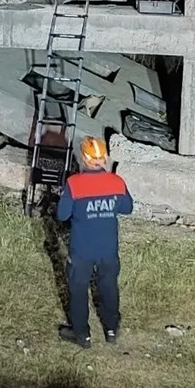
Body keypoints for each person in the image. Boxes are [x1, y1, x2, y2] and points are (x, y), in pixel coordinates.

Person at [55, 136, 134, 348]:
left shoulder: (74, 184)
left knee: (78, 289)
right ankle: (111, 329)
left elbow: (62, 215)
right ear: (105, 157)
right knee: (109, 287)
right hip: (108, 248)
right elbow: (127, 208)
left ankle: (82, 335)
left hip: (82, 250)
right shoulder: (116, 182)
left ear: (84, 158)